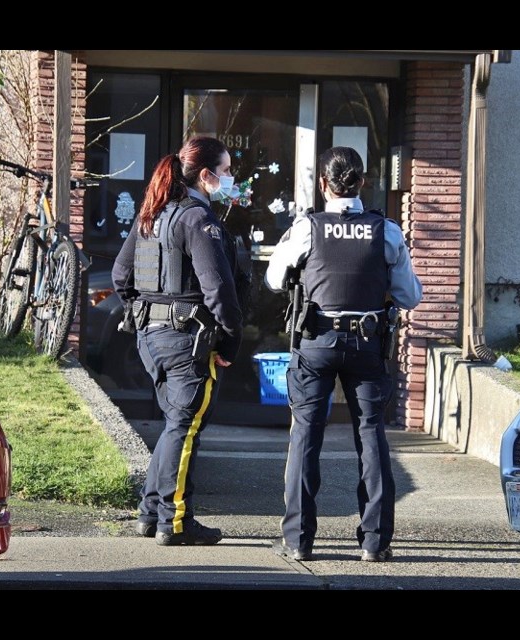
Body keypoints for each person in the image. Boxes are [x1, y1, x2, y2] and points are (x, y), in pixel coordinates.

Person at [265, 146, 423, 562]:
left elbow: (273, 279)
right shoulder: (385, 230)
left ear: (323, 184)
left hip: (316, 342)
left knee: (305, 438)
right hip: (367, 345)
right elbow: (410, 296)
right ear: (363, 182)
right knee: (370, 437)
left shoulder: (307, 228)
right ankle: (375, 542)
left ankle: (299, 541)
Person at [111, 136, 243, 546]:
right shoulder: (196, 220)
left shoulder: (154, 214)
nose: (228, 179)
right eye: (224, 171)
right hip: (188, 341)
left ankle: (150, 514)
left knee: (174, 426)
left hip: (152, 339)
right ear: (205, 176)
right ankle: (176, 522)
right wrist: (229, 342)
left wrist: (146, 316)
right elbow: (219, 291)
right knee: (185, 428)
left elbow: (120, 277)